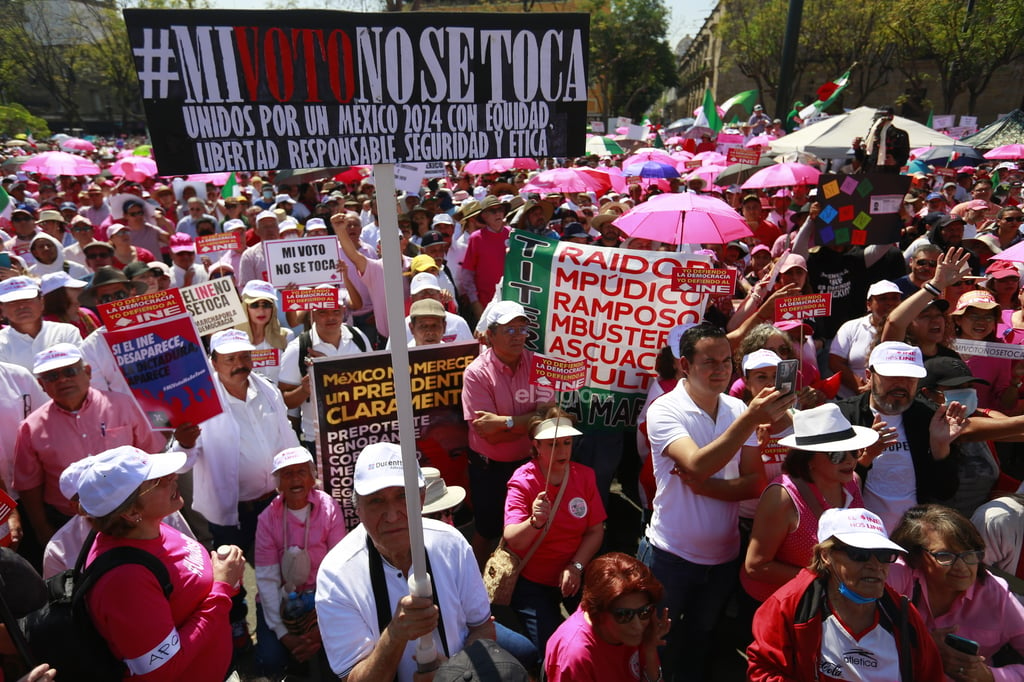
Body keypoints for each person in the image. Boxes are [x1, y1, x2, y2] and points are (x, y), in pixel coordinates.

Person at [639, 322, 794, 681]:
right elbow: (696, 462)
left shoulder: (737, 408)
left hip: (722, 558)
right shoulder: (665, 410)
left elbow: (754, 484)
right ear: (684, 366)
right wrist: (749, 422)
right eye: (710, 362)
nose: (721, 370)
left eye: (726, 361)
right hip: (670, 554)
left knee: (700, 637)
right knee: (652, 638)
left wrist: (705, 486)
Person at [315, 443, 496, 681]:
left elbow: (482, 627)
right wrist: (396, 635)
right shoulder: (336, 575)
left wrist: (456, 672)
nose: (391, 515)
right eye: (376, 501)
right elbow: (353, 678)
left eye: (402, 496)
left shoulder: (451, 544)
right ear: (357, 508)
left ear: (421, 498)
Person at [174, 329, 300, 647]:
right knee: (231, 573)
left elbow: (287, 436)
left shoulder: (267, 389)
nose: (240, 364)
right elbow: (180, 462)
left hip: (271, 502)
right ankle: (236, 624)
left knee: (281, 567)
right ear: (214, 362)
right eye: (230, 359)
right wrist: (184, 444)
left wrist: (299, 476)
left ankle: (286, 621)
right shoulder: (199, 400)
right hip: (230, 510)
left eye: (244, 357)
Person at [79, 445, 246, 681]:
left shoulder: (150, 526)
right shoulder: (125, 581)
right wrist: (221, 588)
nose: (173, 477)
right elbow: (161, 670)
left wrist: (221, 573)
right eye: (158, 481)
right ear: (130, 511)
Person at [747, 507, 943, 680]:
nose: (875, 566)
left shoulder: (903, 615)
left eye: (884, 555)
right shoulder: (788, 605)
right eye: (860, 554)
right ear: (826, 556)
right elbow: (763, 671)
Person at [14, 344, 165, 555]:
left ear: (87, 372)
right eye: (52, 376)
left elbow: (152, 455)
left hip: (133, 512)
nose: (63, 379)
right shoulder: (31, 428)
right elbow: (29, 485)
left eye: (70, 371)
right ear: (41, 384)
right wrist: (42, 529)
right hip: (70, 522)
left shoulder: (123, 405)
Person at [742, 403, 873, 603]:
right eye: (837, 454)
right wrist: (825, 579)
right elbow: (756, 566)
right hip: (779, 604)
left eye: (854, 451)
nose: (850, 460)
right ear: (808, 458)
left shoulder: (853, 481)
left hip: (825, 600)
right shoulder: (781, 497)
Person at [502, 411, 605, 654]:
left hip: (574, 577)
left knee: (602, 632)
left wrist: (576, 567)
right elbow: (513, 538)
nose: (562, 451)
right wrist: (535, 522)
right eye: (553, 444)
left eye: (567, 443)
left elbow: (595, 531)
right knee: (549, 649)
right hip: (532, 582)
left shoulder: (585, 476)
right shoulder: (522, 481)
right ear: (536, 446)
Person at [836, 341, 966, 533]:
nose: (902, 384)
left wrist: (940, 448)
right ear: (869, 376)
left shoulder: (929, 417)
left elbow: (945, 492)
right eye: (892, 376)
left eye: (910, 378)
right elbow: (832, 489)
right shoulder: (843, 417)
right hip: (858, 534)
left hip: (915, 537)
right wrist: (866, 458)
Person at [461, 300, 555, 565]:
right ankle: (476, 586)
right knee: (486, 529)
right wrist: (531, 423)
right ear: (490, 335)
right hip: (489, 469)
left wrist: (506, 423)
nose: (518, 336)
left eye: (522, 329)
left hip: (528, 464)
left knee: (527, 526)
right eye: (509, 330)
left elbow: (549, 418)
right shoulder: (476, 373)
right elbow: (488, 434)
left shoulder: (540, 364)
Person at [888, 504, 1024, 681]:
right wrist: (920, 646)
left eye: (970, 554)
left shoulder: (997, 594)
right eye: (945, 556)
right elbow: (854, 640)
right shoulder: (895, 575)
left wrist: (990, 676)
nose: (962, 567)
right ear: (916, 556)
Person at [253, 447, 346, 677]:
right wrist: (284, 634)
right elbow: (267, 578)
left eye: (301, 472)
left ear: (312, 477)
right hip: (283, 598)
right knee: (272, 660)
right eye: (287, 474)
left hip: (323, 597)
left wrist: (320, 629)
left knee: (339, 654)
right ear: (278, 484)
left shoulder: (329, 508)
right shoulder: (267, 519)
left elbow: (340, 570)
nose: (295, 479)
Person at [544, 552, 670, 682]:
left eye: (645, 611)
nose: (638, 626)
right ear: (597, 611)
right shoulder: (575, 654)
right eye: (623, 615)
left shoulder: (638, 631)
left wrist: (649, 650)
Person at [829, 279, 904, 398]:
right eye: (883, 298)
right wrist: (859, 387)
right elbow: (835, 362)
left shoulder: (910, 329)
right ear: (869, 304)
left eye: (894, 298)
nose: (890, 303)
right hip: (850, 400)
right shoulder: (851, 327)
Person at [0, 276, 81, 372]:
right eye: (12, 302)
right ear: (2, 308)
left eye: (27, 299)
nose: (21, 306)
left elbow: (81, 370)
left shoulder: (66, 332)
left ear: (41, 302)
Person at [235, 280, 294, 385]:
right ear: (245, 307)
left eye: (266, 305)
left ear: (273, 308)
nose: (261, 310)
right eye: (254, 305)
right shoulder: (234, 341)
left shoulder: (286, 337)